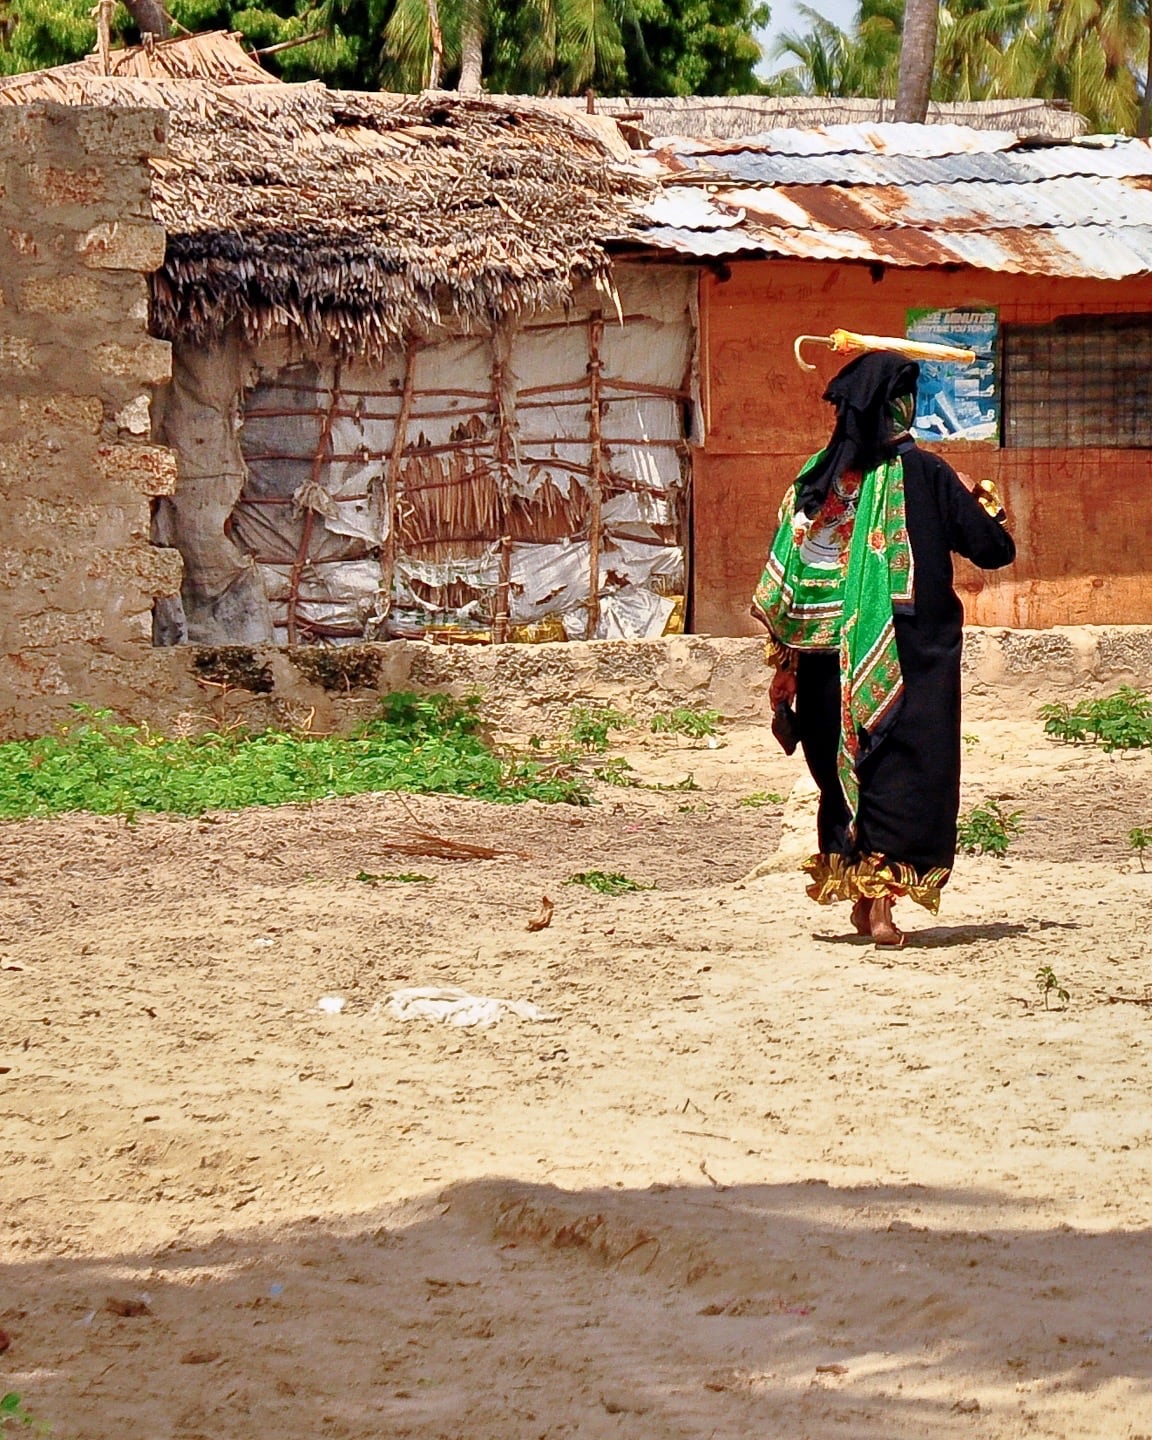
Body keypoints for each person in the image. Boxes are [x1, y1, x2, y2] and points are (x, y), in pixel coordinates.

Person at [751, 351, 1015, 947]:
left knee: (847, 776)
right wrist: (985, 499)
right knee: (902, 774)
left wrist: (784, 667)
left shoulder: (816, 480)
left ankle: (863, 895)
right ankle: (880, 906)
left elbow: (789, 583)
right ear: (903, 406)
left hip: (821, 665)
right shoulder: (928, 475)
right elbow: (995, 549)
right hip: (908, 661)